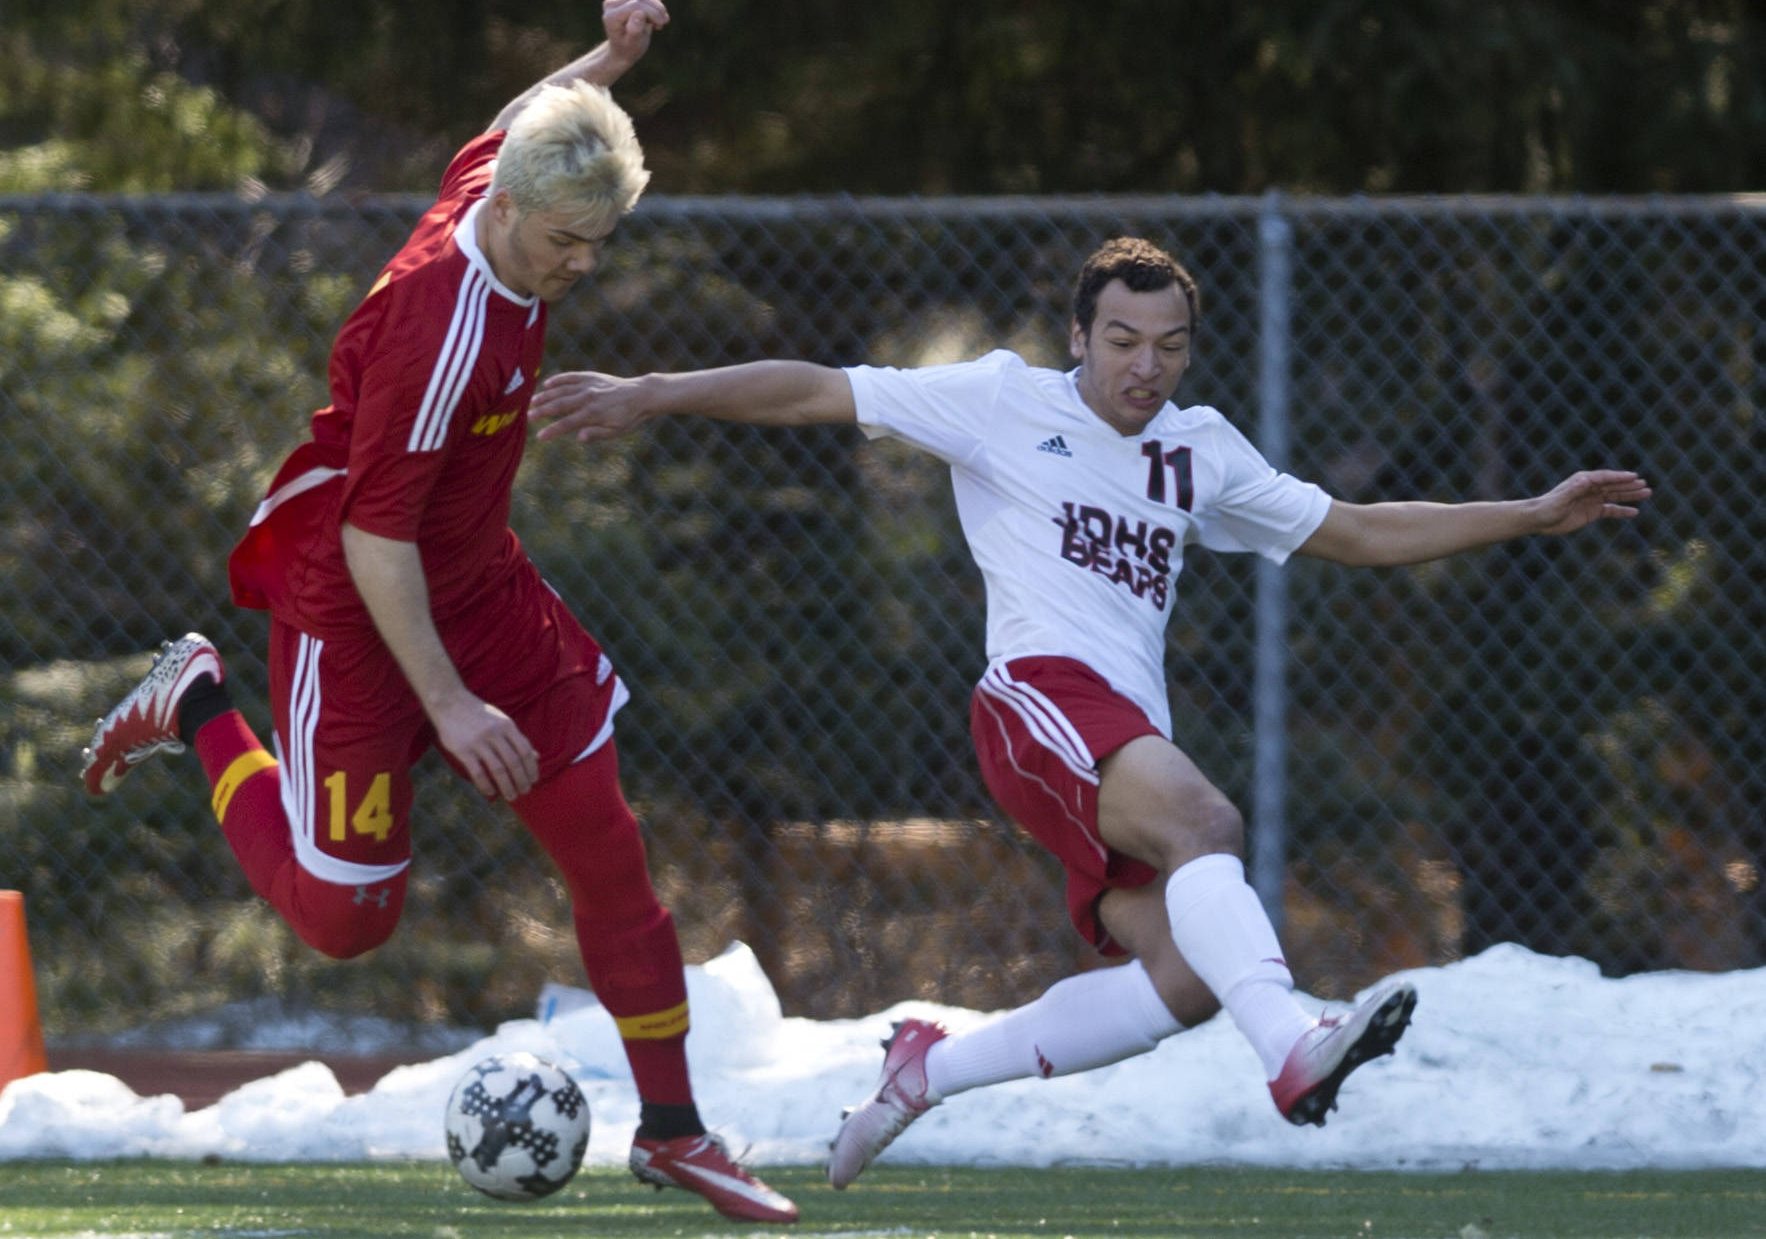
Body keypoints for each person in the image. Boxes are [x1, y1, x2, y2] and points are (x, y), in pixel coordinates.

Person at [527, 235, 1652, 1187]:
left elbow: (1354, 530)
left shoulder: (1198, 451)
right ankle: (1294, 1039)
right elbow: (816, 387)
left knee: (1176, 981)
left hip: (1109, 729)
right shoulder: (1000, 401)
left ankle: (931, 1066)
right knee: (1208, 824)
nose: (1144, 367)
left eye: (1168, 347)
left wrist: (1529, 514)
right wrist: (654, 392)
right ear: (1078, 336)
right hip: (1035, 700)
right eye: (1121, 341)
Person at [78, 0, 797, 1225]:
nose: (580, 266)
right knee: (347, 921)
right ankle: (197, 698)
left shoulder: (505, 185)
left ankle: (675, 1131)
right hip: (360, 612)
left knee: (608, 852)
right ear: (506, 210)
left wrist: (606, 65)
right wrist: (451, 705)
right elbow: (373, 535)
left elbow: (520, 114)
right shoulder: (438, 331)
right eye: (566, 242)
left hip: (479, 590)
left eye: (598, 243)